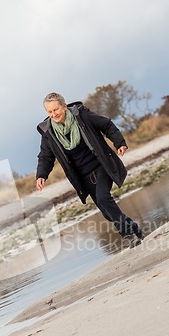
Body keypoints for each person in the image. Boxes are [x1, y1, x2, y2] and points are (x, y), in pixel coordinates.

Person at [36, 92, 143, 242]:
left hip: (101, 165)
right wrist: (41, 175)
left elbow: (106, 125)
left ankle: (127, 234)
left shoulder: (82, 117)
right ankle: (133, 227)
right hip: (83, 177)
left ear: (64, 107)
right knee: (107, 212)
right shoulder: (49, 133)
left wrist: (119, 143)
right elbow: (45, 156)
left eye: (56, 109)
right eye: (50, 111)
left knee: (103, 198)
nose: (53, 114)